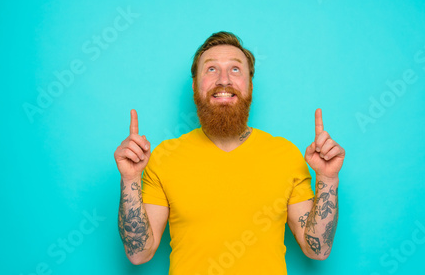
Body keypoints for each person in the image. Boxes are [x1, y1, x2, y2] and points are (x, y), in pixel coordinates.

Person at [114, 31, 345, 274]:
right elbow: (139, 253)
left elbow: (317, 249)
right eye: (211, 69)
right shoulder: (164, 156)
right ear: (195, 86)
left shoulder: (285, 154)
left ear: (250, 85)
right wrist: (130, 179)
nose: (223, 80)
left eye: (235, 70)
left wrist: (327, 180)